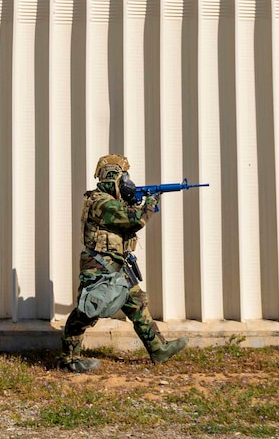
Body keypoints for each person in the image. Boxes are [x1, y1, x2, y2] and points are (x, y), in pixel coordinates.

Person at [59, 154, 188, 373]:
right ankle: (70, 359)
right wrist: (150, 203)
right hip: (99, 266)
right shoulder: (102, 202)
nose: (128, 181)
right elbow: (134, 219)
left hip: (116, 264)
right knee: (87, 312)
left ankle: (158, 348)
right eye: (123, 176)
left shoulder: (112, 200)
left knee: (137, 303)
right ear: (112, 177)